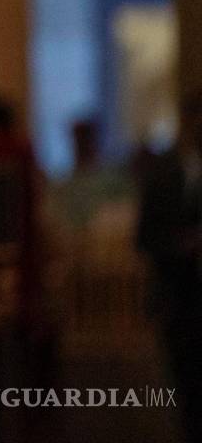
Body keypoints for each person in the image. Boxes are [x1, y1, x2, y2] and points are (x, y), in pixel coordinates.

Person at [137, 90, 202, 443]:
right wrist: (181, 245)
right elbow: (145, 236)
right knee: (187, 389)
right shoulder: (163, 173)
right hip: (179, 298)